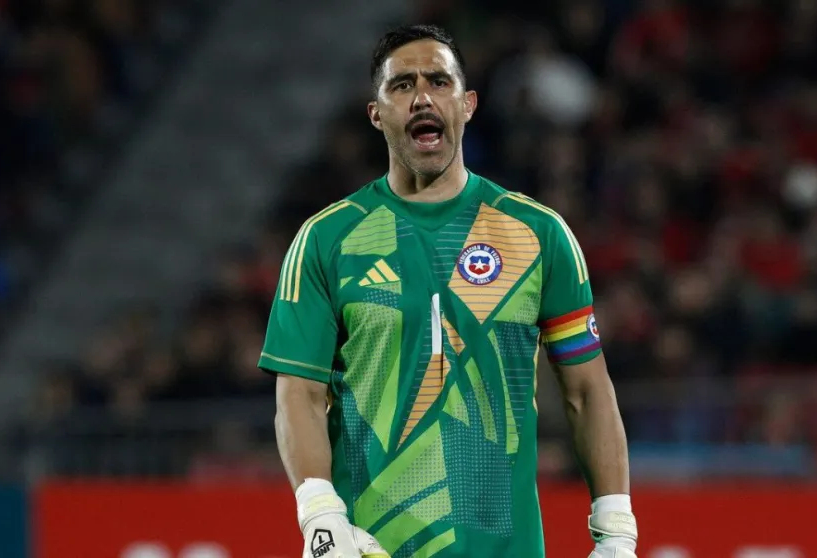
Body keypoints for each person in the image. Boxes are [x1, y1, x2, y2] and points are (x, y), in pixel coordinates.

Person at [259, 24, 637, 558]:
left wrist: (616, 530)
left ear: (467, 105)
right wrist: (320, 515)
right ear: (377, 114)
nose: (421, 97)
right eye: (401, 85)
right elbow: (299, 391)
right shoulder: (326, 240)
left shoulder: (538, 235)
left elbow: (587, 390)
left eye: (438, 81)